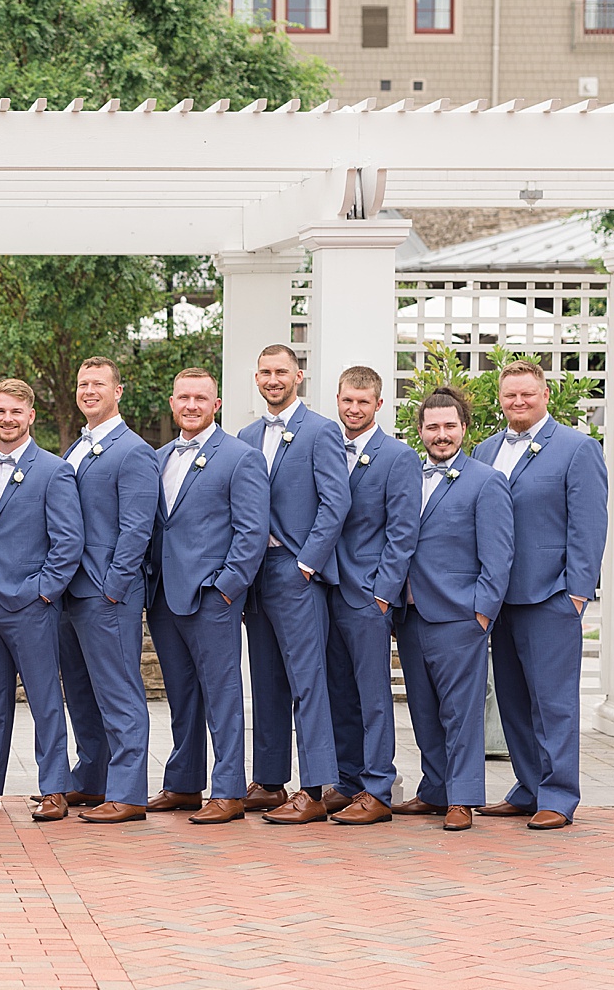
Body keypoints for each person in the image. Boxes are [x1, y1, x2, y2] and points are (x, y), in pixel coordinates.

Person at [473, 360, 608, 830]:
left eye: (527, 394)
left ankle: (558, 795)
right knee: (512, 700)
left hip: (551, 595)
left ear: (545, 394)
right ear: (501, 398)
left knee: (553, 702)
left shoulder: (577, 448)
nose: (518, 402)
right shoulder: (486, 450)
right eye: (510, 395)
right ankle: (528, 787)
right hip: (498, 598)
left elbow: (589, 525)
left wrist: (576, 593)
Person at [146, 368, 269, 825]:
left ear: (215, 405)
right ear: (172, 403)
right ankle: (182, 784)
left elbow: (253, 531)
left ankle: (229, 789)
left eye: (201, 398)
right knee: (181, 696)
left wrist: (227, 587)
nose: (191, 405)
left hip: (211, 597)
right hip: (163, 597)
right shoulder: (158, 457)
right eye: (183, 397)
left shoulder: (240, 457)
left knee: (222, 695)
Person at [235, 343, 351, 824]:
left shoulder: (321, 431)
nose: (273, 379)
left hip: (296, 570)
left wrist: (308, 563)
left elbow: (336, 502)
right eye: (265, 372)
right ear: (256, 378)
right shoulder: (244, 434)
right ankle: (269, 780)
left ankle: (316, 788)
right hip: (254, 572)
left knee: (308, 682)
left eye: (281, 371)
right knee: (264, 680)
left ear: (298, 376)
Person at [394, 385, 514, 832]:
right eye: (432, 427)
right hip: (409, 615)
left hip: (460, 616)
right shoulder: (406, 476)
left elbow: (498, 555)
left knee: (460, 712)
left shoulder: (486, 481)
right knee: (423, 709)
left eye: (449, 426)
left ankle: (463, 797)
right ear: (420, 430)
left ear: (464, 428)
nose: (440, 435)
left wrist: (482, 613)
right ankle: (435, 789)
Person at [0, 379, 83, 821]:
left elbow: (69, 542)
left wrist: (44, 591)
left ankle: (54, 787)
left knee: (44, 699)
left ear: (31, 416)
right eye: (0, 411)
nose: (7, 419)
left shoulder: (53, 470)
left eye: (16, 411)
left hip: (32, 605)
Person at [57, 357, 160, 825]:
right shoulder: (77, 446)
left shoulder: (132, 450)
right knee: (81, 694)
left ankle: (128, 793)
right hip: (69, 592)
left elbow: (136, 529)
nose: (89, 390)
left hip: (105, 593)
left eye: (98, 384)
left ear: (119, 391)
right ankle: (92, 778)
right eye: (83, 384)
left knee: (119, 693)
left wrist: (114, 588)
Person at [323, 367, 420, 826]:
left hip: (367, 594)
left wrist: (383, 594)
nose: (354, 409)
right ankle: (347, 782)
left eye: (363, 402)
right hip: (325, 590)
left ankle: (379, 786)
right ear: (337, 400)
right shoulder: (324, 447)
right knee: (338, 690)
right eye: (347, 401)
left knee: (373, 694)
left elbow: (403, 533)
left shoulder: (397, 457)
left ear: (379, 405)